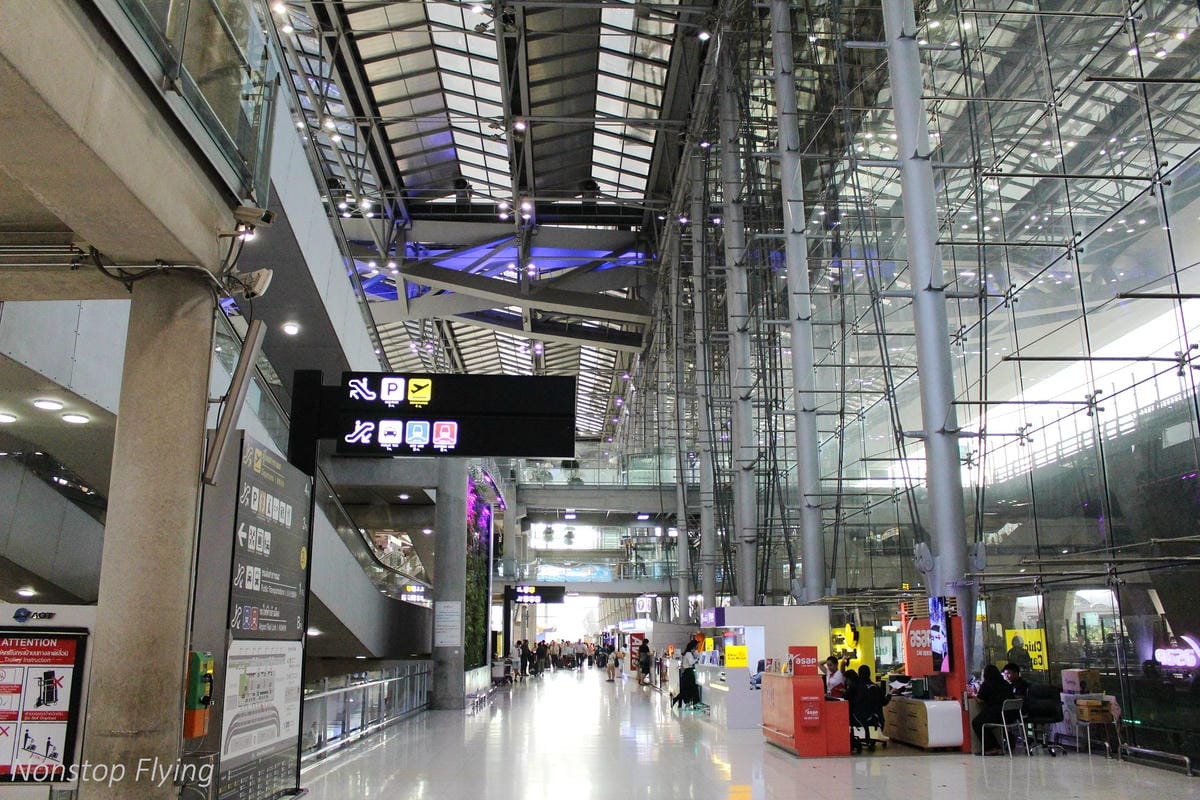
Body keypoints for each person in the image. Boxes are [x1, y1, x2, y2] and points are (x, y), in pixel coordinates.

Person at [971, 664, 1015, 755]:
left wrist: (973, 695)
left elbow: (980, 700)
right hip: (1011, 716)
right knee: (984, 721)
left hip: (997, 714)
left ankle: (991, 748)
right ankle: (997, 747)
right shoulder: (1006, 683)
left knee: (977, 723)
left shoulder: (987, 684)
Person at [672, 639, 701, 708]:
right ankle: (695, 703)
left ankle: (677, 699)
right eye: (696, 646)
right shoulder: (688, 654)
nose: (697, 647)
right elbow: (691, 662)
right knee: (692, 688)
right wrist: (697, 659)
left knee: (688, 689)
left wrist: (696, 653)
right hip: (689, 672)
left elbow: (697, 656)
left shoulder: (689, 653)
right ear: (693, 646)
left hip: (688, 672)